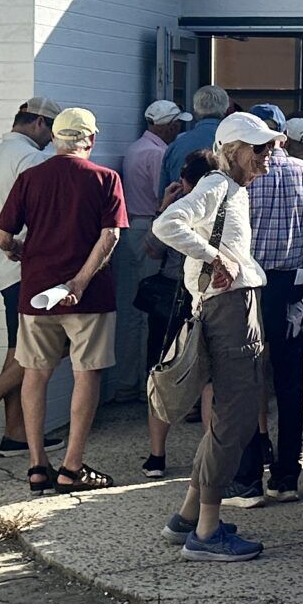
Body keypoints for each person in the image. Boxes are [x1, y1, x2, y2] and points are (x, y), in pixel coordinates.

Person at [153, 112, 279, 563]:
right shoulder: (217, 185)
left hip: (230, 305)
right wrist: (215, 258)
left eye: (270, 147)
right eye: (260, 148)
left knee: (230, 416)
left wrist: (214, 258)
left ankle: (189, 516)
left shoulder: (229, 188)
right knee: (235, 417)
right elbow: (167, 224)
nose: (268, 155)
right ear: (234, 150)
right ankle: (206, 531)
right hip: (229, 309)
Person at [0, 106, 128, 492]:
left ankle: (37, 466)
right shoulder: (105, 178)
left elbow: (2, 236)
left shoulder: (30, 177)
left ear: (55, 138)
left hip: (36, 291)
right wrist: (79, 283)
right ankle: (71, 469)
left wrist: (19, 250)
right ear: (91, 139)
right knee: (87, 374)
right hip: (89, 297)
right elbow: (110, 236)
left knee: (35, 374)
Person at [227, 115, 303, 508]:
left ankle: (247, 478)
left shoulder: (246, 177)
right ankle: (287, 476)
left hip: (249, 284)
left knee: (247, 378)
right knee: (290, 380)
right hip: (292, 284)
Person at [0, 97, 60, 454]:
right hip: (26, 262)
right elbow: (40, 214)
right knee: (52, 344)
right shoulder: (32, 159)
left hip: (6, 264)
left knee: (20, 346)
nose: (53, 139)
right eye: (52, 130)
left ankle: (16, 434)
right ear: (39, 123)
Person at [142, 146, 219, 478]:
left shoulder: (179, 210)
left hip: (173, 297)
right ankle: (210, 453)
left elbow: (151, 249)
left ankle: (156, 456)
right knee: (211, 379)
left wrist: (165, 206)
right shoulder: (221, 204)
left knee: (162, 373)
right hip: (209, 296)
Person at [118, 99, 188, 395]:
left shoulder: (134, 149)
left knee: (135, 307)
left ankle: (127, 381)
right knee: (152, 307)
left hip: (132, 226)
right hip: (150, 225)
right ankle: (146, 382)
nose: (179, 129)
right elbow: (164, 194)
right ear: (168, 125)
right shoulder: (158, 153)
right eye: (177, 124)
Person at [159, 84, 234, 196]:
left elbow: (164, 194)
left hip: (181, 206)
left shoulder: (176, 146)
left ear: (195, 111)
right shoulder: (236, 144)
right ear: (227, 110)